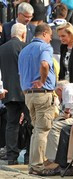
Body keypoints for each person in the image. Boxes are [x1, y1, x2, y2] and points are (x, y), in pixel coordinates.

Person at [18, 23, 56, 174]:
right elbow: (45, 64)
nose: (51, 39)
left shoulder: (24, 50)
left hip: (29, 94)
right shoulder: (44, 47)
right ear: (45, 33)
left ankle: (34, 165)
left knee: (36, 130)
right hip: (42, 93)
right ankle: (37, 165)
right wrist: (42, 80)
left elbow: (20, 74)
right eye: (51, 36)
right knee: (42, 130)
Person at [0, 23, 31, 165]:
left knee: (11, 124)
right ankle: (29, 156)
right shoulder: (26, 48)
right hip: (26, 91)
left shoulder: (2, 49)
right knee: (31, 124)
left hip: (8, 91)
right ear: (23, 34)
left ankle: (11, 156)